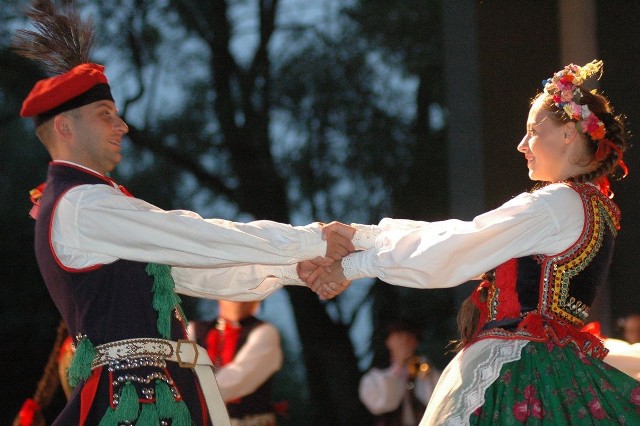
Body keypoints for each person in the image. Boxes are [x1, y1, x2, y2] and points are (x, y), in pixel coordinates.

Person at [12, 2, 351, 425]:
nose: (123, 127)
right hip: (137, 403)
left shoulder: (94, 202)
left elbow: (194, 270)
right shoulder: (82, 203)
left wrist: (294, 267)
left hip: (155, 396)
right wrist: (309, 240)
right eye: (106, 116)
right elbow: (193, 237)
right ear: (65, 126)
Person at [305, 60, 640, 424]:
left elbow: (460, 244)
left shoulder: (556, 204)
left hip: (519, 366)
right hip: (558, 367)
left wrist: (356, 263)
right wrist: (362, 239)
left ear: (568, 134)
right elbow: (462, 240)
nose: (521, 145)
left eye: (532, 132)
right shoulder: (596, 207)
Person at [188, 300, 283, 426]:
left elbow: (238, 377)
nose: (240, 299)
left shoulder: (265, 332)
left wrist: (189, 394)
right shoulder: (193, 329)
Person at [359, 320, 441, 426]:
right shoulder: (375, 378)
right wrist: (398, 368)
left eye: (409, 338)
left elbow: (437, 400)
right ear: (388, 342)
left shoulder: (425, 366)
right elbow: (382, 404)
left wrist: (425, 376)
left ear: (416, 343)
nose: (404, 342)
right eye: (399, 337)